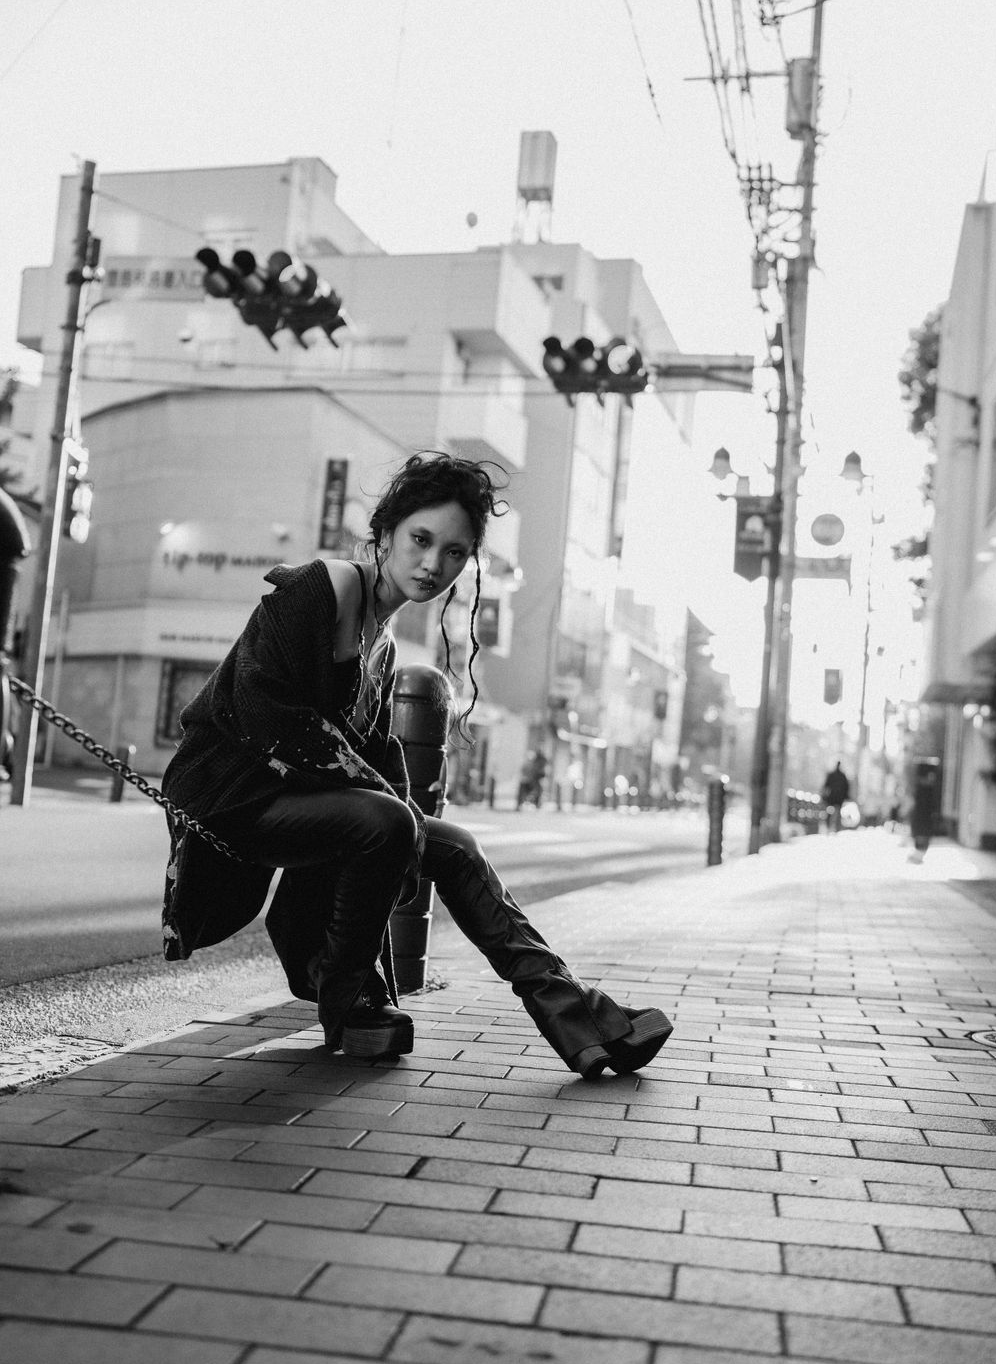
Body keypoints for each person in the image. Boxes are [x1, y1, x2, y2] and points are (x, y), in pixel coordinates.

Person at [160, 452, 671, 1080]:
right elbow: (264, 713)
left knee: (453, 845)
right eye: (421, 540)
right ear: (386, 533)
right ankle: (348, 1004)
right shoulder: (321, 589)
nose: (433, 565)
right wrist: (395, 814)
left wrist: (408, 825)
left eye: (455, 553)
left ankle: (580, 1018)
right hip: (230, 795)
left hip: (303, 806)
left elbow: (382, 766)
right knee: (389, 822)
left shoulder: (384, 644)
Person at [821, 760, 850, 831]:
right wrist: (846, 796)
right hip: (838, 798)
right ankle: (836, 828)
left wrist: (824, 795)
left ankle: (830, 827)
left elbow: (826, 786)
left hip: (832, 797)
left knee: (830, 812)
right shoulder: (842, 775)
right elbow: (846, 787)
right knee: (837, 812)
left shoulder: (832, 775)